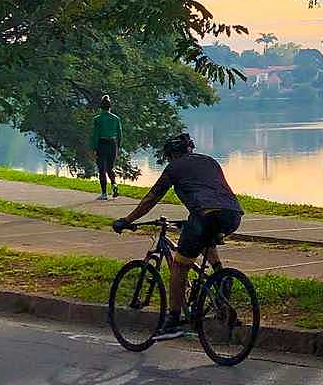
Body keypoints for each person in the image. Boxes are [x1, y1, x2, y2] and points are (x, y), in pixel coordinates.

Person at [112, 132, 242, 340]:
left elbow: (150, 199)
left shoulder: (174, 167)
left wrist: (127, 220)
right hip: (232, 214)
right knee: (204, 236)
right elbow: (210, 189)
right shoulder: (210, 161)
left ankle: (173, 319)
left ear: (171, 154)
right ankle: (220, 276)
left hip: (204, 215)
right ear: (190, 149)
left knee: (179, 266)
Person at [89, 95, 124, 200]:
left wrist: (93, 148)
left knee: (102, 169)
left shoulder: (97, 119)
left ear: (101, 107)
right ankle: (114, 185)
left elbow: (95, 135)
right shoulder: (116, 118)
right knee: (110, 168)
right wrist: (119, 146)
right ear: (110, 107)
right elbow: (120, 134)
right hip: (113, 143)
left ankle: (104, 194)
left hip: (102, 143)